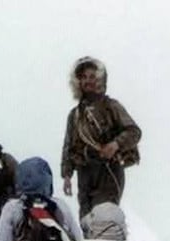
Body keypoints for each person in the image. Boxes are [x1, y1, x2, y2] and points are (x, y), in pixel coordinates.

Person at [60, 56, 142, 218]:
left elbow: (134, 131)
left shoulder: (111, 106)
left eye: (92, 76)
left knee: (104, 219)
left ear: (99, 79)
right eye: (83, 77)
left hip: (108, 171)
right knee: (86, 221)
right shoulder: (75, 115)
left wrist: (115, 144)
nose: (87, 81)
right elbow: (68, 146)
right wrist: (67, 175)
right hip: (85, 173)